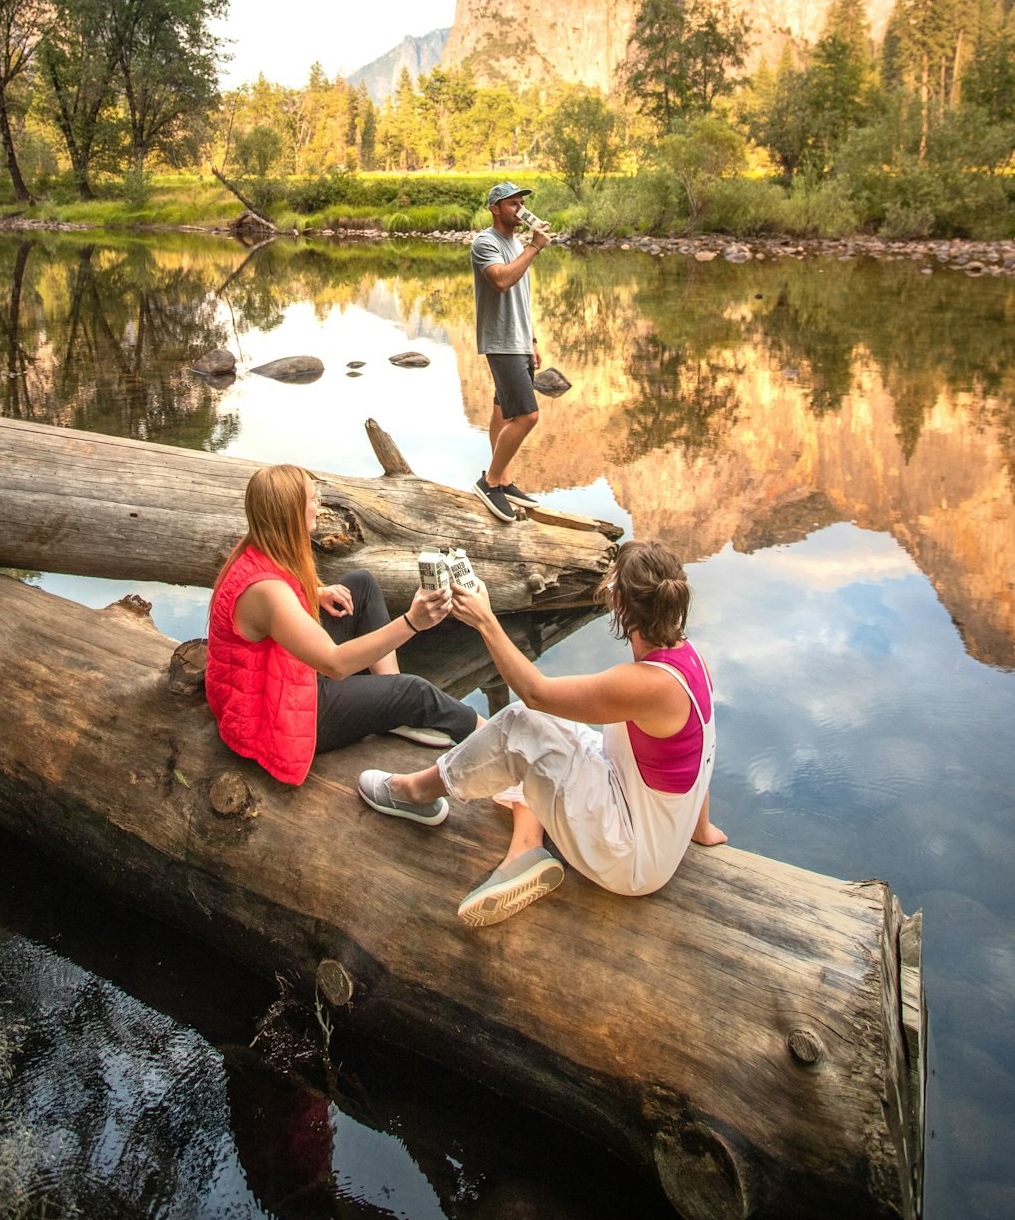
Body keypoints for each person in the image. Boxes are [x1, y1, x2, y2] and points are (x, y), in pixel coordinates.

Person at [358, 541, 727, 926]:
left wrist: (485, 621)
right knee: (552, 729)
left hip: (630, 862)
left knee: (521, 723)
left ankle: (414, 793)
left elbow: (536, 694)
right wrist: (699, 829)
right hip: (650, 833)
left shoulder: (645, 683)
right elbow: (703, 750)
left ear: (619, 601)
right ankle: (525, 848)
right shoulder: (690, 660)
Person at [206, 464, 480, 787]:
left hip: (276, 680)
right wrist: (412, 622)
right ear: (291, 513)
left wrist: (316, 592)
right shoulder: (268, 593)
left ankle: (391, 702)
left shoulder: (259, 545)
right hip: (277, 716)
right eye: (313, 498)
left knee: (360, 586)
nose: (320, 504)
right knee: (415, 692)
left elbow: (277, 604)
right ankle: (490, 733)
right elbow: (334, 664)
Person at [470, 180, 550, 522]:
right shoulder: (484, 243)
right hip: (500, 342)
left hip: (517, 341)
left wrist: (531, 340)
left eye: (520, 202)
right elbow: (501, 281)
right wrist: (534, 249)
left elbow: (522, 298)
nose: (519, 208)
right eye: (512, 203)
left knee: (502, 411)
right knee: (527, 416)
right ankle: (489, 482)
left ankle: (502, 479)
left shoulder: (515, 242)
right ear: (495, 209)